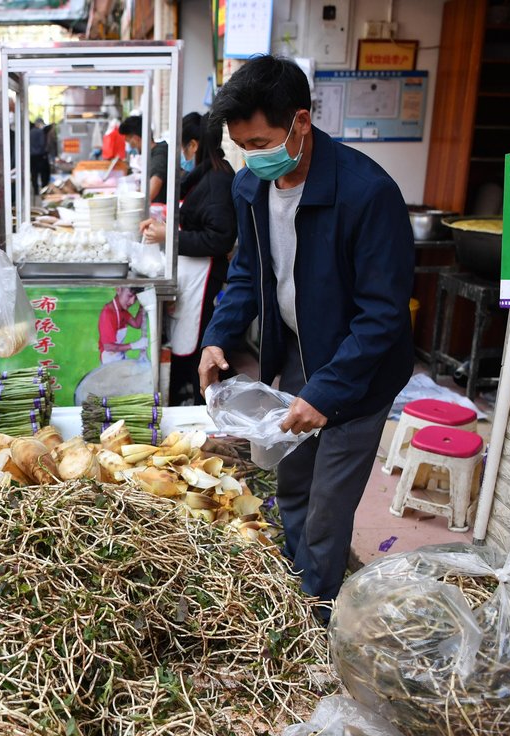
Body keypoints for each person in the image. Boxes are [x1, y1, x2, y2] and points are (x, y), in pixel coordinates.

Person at [199, 56, 414, 613]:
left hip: (358, 374)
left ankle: (315, 620)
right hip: (298, 354)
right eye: (242, 145)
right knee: (291, 483)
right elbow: (247, 273)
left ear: (300, 121)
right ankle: (297, 587)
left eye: (261, 141)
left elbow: (382, 316)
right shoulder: (252, 188)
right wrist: (218, 336)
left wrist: (325, 392)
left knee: (327, 507)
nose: (252, 156)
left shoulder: (366, 194)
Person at [140, 112, 236, 405]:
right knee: (188, 338)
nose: (181, 154)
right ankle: (187, 392)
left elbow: (218, 238)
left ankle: (199, 400)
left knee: (200, 342)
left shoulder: (218, 179)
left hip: (205, 275)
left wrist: (168, 237)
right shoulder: (205, 172)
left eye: (182, 147)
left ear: (193, 145)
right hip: (193, 271)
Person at [119, 114, 169, 203]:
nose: (130, 146)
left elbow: (156, 181)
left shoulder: (160, 153)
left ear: (136, 139)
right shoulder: (151, 154)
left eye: (129, 142)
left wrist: (136, 204)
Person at [98, 287, 148, 364]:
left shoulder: (122, 311)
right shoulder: (108, 313)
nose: (132, 302)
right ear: (119, 289)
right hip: (109, 361)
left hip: (119, 356)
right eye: (129, 296)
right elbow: (108, 346)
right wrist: (134, 345)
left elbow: (136, 324)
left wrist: (141, 307)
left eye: (135, 299)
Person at [29, 117, 50, 193]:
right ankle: (43, 189)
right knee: (42, 173)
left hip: (31, 156)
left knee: (34, 173)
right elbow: (42, 143)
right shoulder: (40, 132)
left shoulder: (30, 132)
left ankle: (35, 190)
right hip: (40, 156)